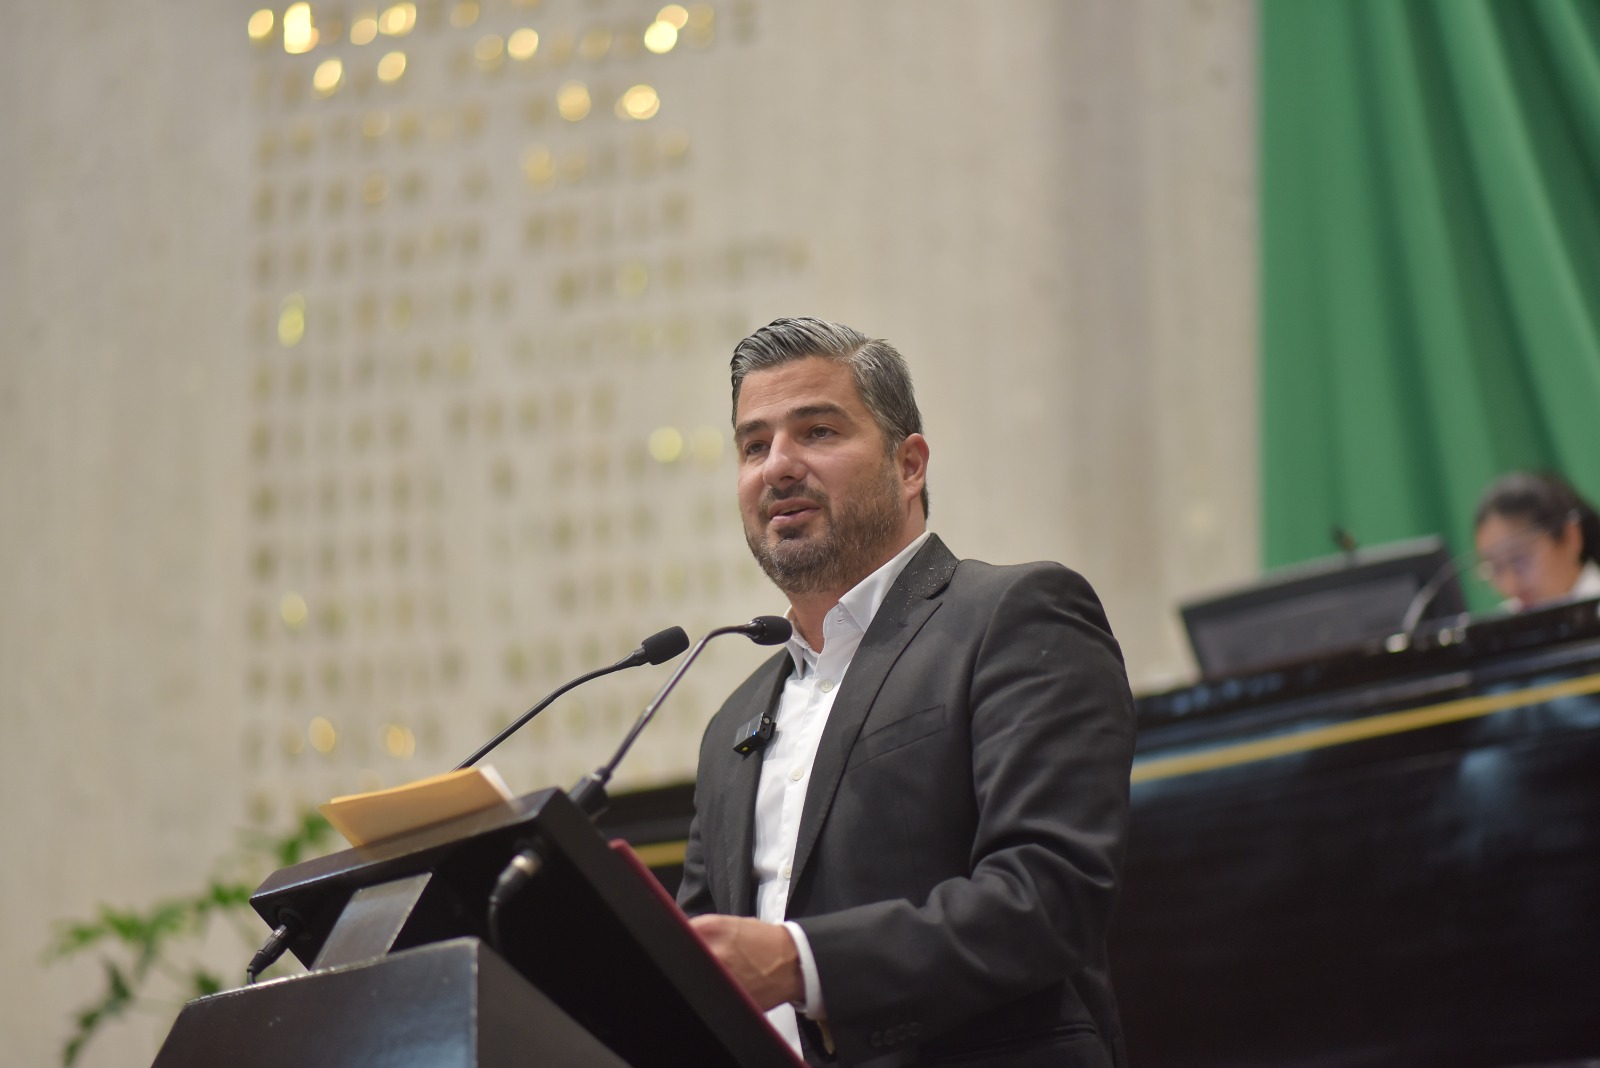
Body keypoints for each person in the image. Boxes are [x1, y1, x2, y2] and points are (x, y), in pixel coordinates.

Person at [677, 317, 1137, 1067]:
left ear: (910, 464)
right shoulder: (734, 725)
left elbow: (1050, 894)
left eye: (817, 432)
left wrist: (800, 963)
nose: (778, 466)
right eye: (754, 446)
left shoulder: (1011, 617)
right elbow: (695, 979)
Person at [1473, 471, 1600, 613]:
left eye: (1519, 559)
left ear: (1570, 537)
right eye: (1496, 568)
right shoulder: (1505, 619)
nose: (1511, 585)